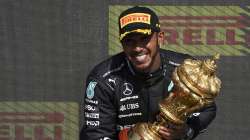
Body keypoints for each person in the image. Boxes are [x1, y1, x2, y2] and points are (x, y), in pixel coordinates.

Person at [80, 6, 216, 140]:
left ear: (160, 38)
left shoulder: (186, 70)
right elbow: (97, 135)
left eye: (144, 38)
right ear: (122, 44)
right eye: (129, 41)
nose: (137, 47)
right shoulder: (103, 79)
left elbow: (207, 109)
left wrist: (186, 132)